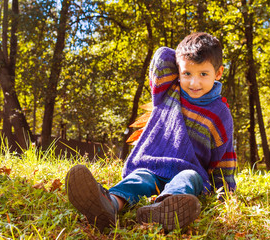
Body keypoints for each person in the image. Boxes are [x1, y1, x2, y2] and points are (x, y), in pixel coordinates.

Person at [65, 32, 237, 232]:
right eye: (187, 73)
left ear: (218, 73)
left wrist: (225, 193)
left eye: (203, 74)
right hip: (154, 164)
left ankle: (165, 208)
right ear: (179, 71)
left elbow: (224, 156)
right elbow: (162, 57)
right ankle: (109, 204)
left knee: (187, 178)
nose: (193, 83)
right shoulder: (169, 90)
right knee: (140, 178)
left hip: (190, 170)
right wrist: (182, 58)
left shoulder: (220, 113)